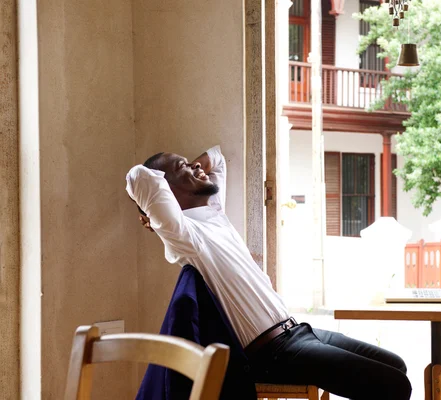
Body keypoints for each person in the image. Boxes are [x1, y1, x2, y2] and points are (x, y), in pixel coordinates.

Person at [126, 145, 412, 400]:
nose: (197, 166)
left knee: (396, 366)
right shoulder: (185, 236)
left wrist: (191, 167)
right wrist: (153, 213)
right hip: (274, 353)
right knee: (395, 386)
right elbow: (139, 177)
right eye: (183, 167)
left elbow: (217, 158)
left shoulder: (214, 215)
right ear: (168, 191)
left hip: (297, 331)